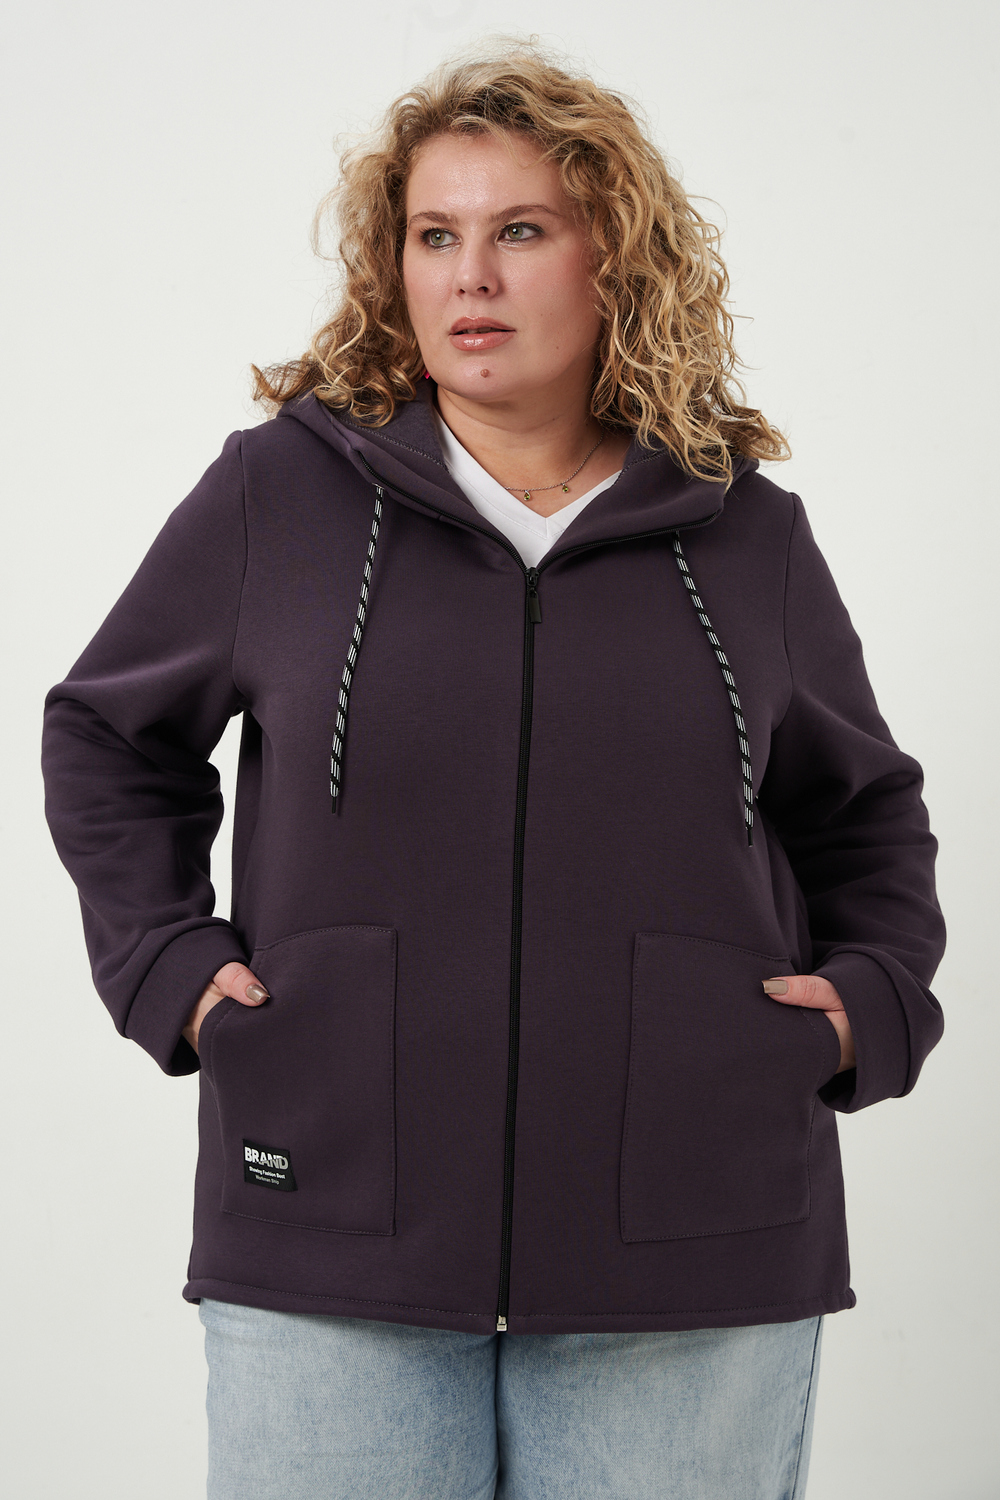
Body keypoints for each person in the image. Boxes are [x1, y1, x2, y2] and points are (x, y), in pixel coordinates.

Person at [40, 40, 945, 1500]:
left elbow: (864, 812)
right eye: (434, 235)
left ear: (614, 259)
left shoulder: (747, 536)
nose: (471, 277)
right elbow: (106, 734)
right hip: (333, 1225)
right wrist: (168, 966)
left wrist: (868, 1006)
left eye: (521, 230)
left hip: (690, 1245)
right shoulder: (279, 497)